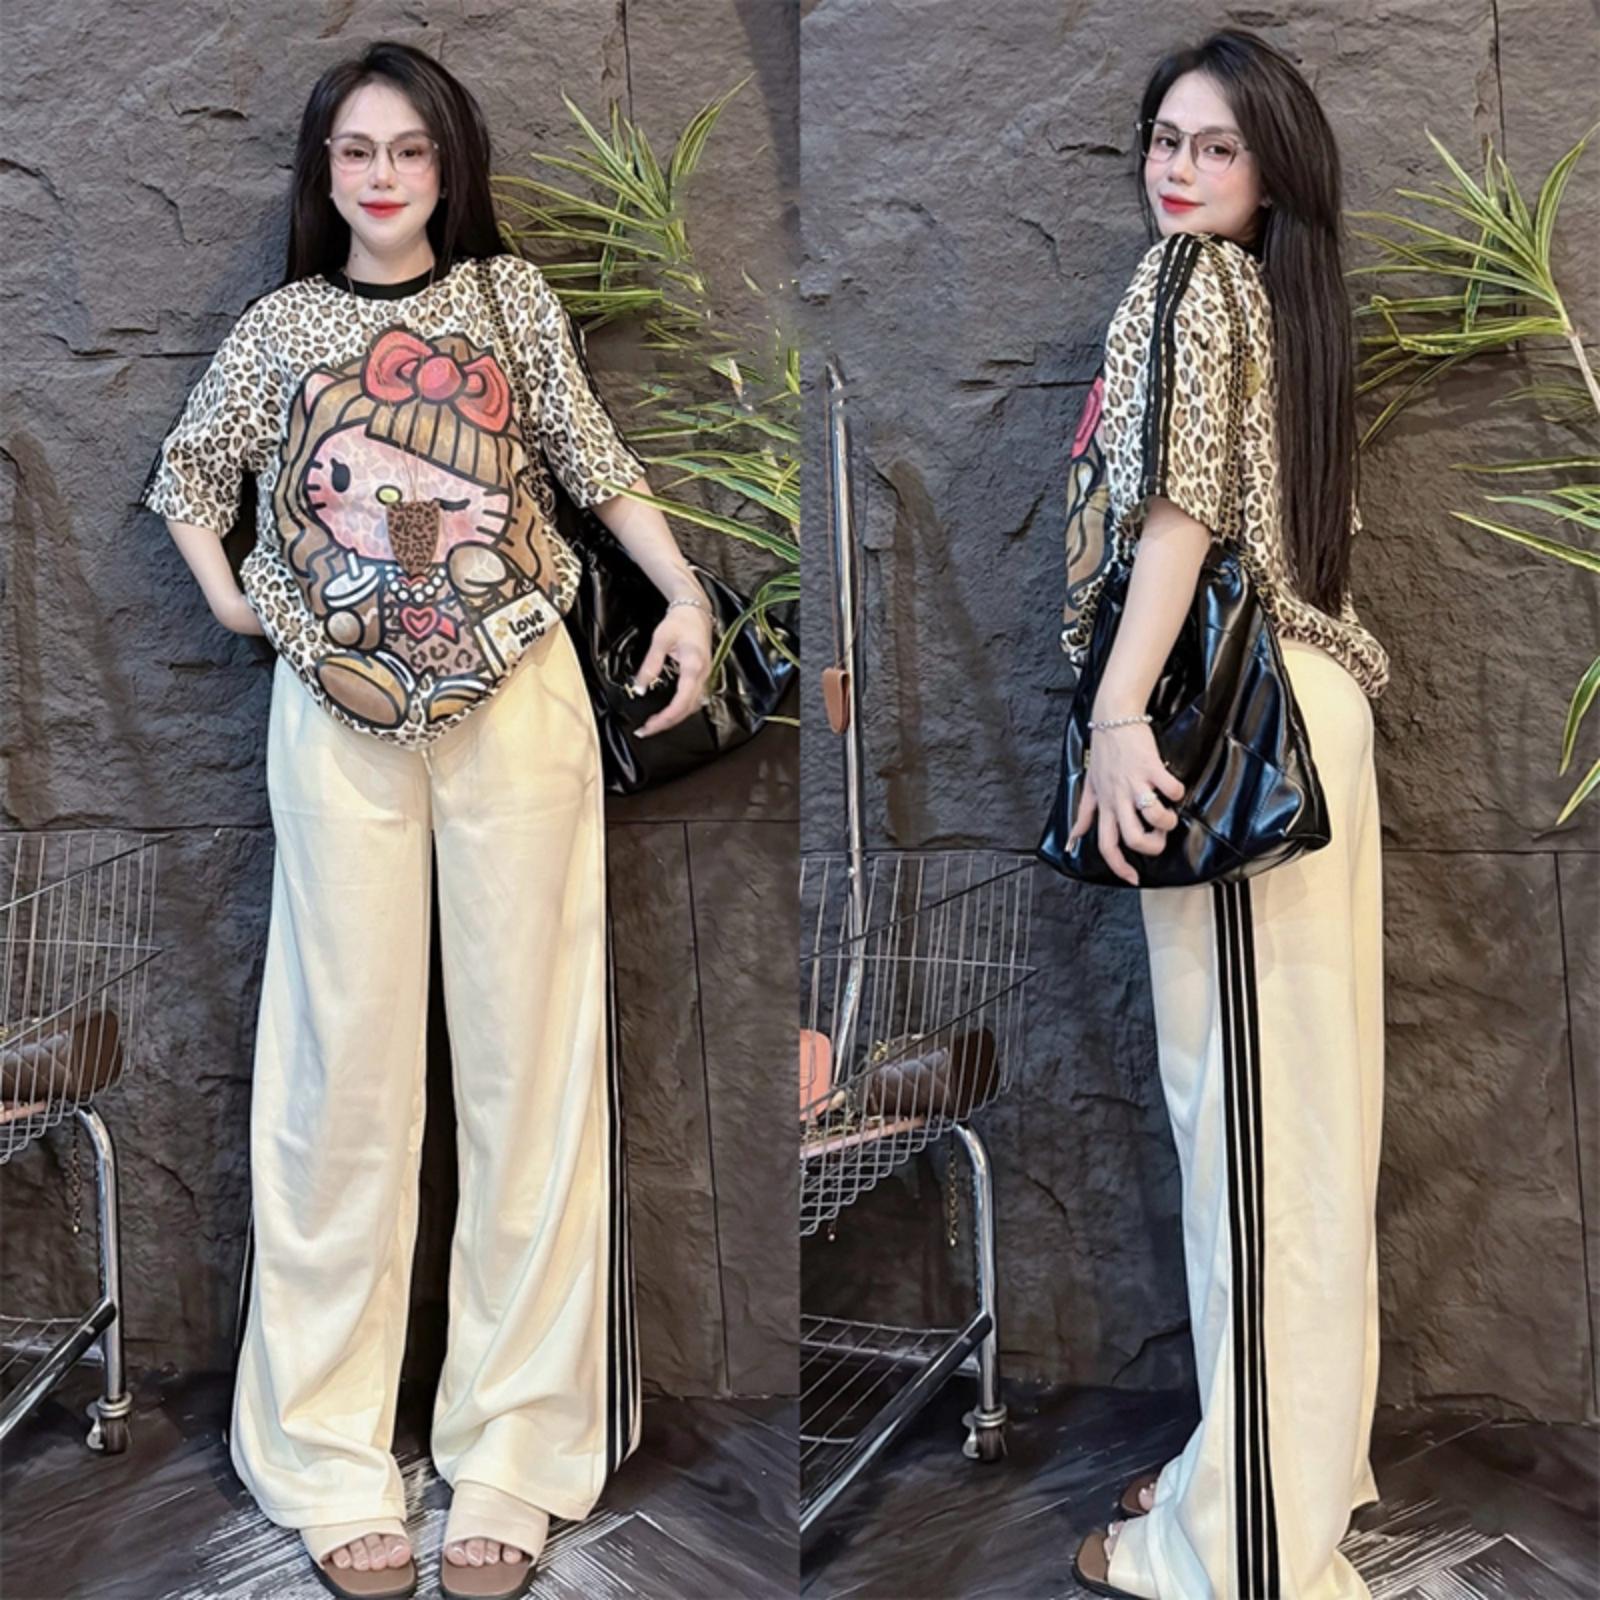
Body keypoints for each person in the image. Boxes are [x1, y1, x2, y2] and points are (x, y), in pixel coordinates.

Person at [138, 40, 714, 1600]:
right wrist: (247, 606)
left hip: (518, 691)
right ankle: (328, 1454)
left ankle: (516, 1447)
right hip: (335, 717)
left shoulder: (511, 301)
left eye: (408, 150)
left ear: (448, 167)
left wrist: (679, 596)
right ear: (322, 174)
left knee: (532, 1069)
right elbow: (190, 479)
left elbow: (590, 461)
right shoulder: (281, 328)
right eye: (354, 152)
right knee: (341, 1076)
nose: (381, 177)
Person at [1056, 30, 1388, 1600]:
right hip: (1307, 719)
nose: (1177, 170)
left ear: (1272, 172)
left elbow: (1182, 511)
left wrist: (1119, 713)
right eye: (1164, 138)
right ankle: (1279, 1470)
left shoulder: (1191, 284)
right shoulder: (1283, 304)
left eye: (1216, 146)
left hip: (1231, 730)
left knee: (1250, 1141)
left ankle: (1243, 1545)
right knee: (1303, 1132)